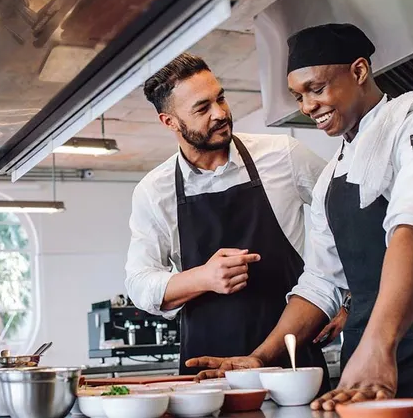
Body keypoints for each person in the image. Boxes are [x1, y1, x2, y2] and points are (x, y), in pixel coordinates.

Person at [185, 23, 413, 409]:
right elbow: (321, 283)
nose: (306, 107)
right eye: (298, 96)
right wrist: (261, 357)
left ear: (359, 71)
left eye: (316, 89)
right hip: (366, 371)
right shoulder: (331, 176)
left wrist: (378, 344)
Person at [124, 53, 333, 388]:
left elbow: (350, 221)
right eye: (202, 108)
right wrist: (204, 277)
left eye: (220, 98)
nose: (220, 113)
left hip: (292, 364)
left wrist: (345, 301)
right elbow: (138, 284)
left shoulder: (284, 156)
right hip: (209, 375)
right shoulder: (154, 191)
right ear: (170, 122)